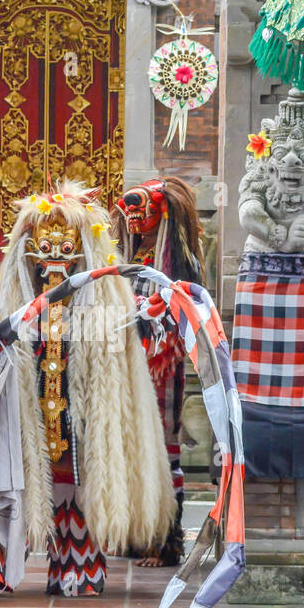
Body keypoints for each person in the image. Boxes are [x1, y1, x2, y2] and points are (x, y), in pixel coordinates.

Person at [0, 183, 175, 597]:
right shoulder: (12, 298)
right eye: (45, 243)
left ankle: (77, 568)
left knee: (80, 482)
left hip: (82, 407)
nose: (54, 252)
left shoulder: (106, 298)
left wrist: (148, 316)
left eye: (64, 244)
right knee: (3, 480)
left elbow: (132, 331)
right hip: (20, 408)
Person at [113, 177, 205, 567]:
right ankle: (136, 534)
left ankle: (165, 540)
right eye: (129, 215)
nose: (134, 222)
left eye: (141, 214)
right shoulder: (130, 258)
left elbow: (186, 314)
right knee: (129, 448)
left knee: (163, 450)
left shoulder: (181, 264)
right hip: (128, 364)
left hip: (162, 367)